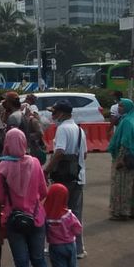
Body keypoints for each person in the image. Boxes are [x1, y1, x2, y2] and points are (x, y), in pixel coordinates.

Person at [0, 128, 56, 267]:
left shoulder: (1, 168)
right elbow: (44, 192)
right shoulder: (35, 162)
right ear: (24, 142)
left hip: (15, 220)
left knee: (21, 263)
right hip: (36, 218)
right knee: (39, 261)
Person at [43, 100, 86, 257]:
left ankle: (57, 244)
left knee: (57, 212)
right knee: (75, 213)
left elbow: (59, 151)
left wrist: (46, 170)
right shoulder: (79, 130)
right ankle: (78, 248)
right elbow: (85, 154)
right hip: (78, 176)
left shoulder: (62, 129)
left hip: (64, 178)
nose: (52, 115)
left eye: (54, 112)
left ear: (61, 113)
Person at [43, 182, 83, 267]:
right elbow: (78, 229)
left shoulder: (47, 216)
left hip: (56, 247)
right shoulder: (68, 215)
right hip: (70, 245)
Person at [107, 98, 134, 220]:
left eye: (122, 106)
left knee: (121, 185)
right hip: (132, 158)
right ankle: (132, 210)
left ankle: (122, 212)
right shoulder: (128, 119)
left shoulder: (127, 122)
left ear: (127, 108)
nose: (119, 108)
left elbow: (125, 142)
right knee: (130, 185)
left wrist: (120, 159)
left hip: (124, 158)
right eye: (119, 106)